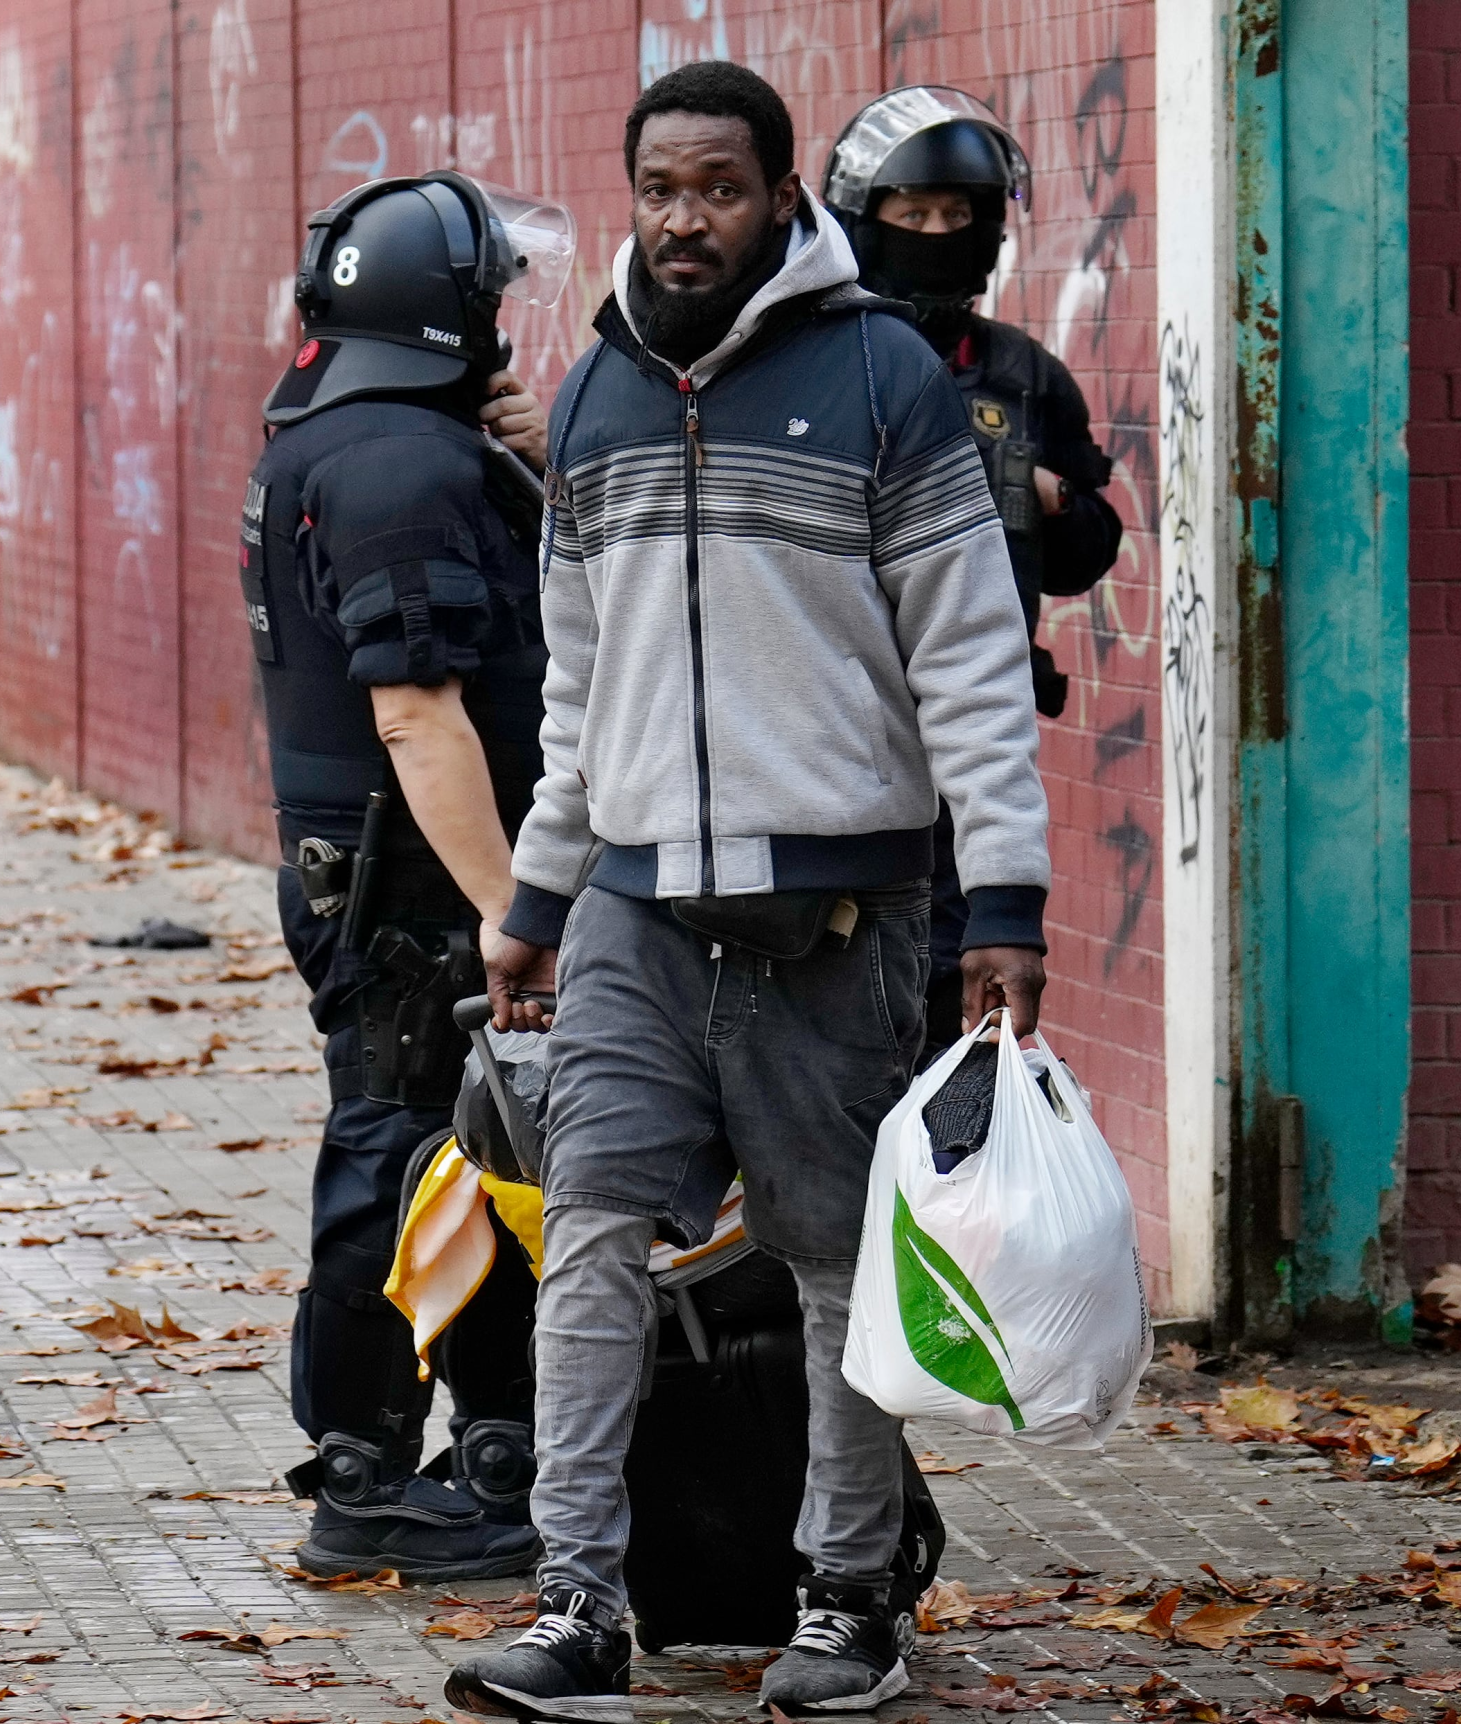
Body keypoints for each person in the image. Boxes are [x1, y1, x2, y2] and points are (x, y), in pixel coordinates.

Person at [445, 61, 1052, 1720]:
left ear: (785, 198)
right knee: (585, 1240)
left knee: (836, 1260)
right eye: (658, 188)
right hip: (637, 912)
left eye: (717, 187)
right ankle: (576, 1600)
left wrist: (1006, 898)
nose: (683, 218)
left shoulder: (883, 384)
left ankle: (850, 1598)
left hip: (838, 922)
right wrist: (537, 898)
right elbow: (579, 693)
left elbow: (977, 663)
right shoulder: (592, 402)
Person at [243, 168, 574, 1582]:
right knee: (395, 1154)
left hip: (387, 876)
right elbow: (418, 712)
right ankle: (368, 1477)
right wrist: (515, 909)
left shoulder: (366, 436)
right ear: (457, 314)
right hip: (414, 894)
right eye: (492, 299)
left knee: (469, 1153)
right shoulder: (400, 467)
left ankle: (495, 1447)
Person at [822, 86, 1124, 1057]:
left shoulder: (1023, 376)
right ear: (862, 221)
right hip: (837, 749)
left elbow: (1091, 549)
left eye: (960, 215)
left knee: (950, 1015)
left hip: (969, 750)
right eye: (912, 215)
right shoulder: (820, 367)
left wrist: (1047, 503)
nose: (937, 233)